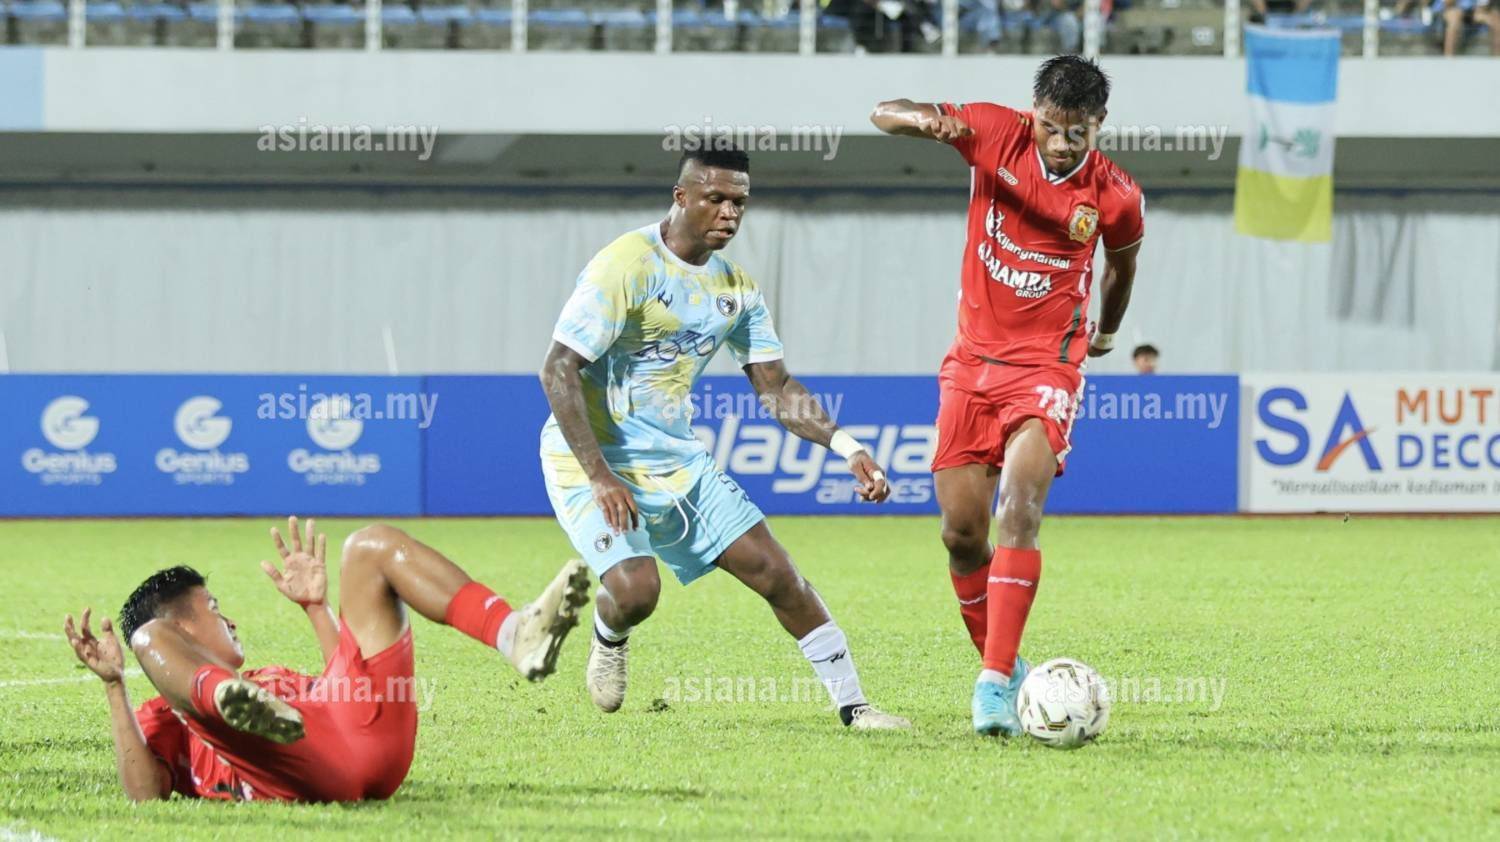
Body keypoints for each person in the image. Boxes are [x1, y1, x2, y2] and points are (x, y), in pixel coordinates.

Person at [537, 146, 910, 731]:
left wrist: (848, 447)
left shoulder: (736, 288)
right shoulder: (625, 265)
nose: (730, 213)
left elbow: (776, 387)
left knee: (776, 572)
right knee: (636, 592)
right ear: (681, 196)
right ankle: (609, 633)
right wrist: (600, 475)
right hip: (590, 459)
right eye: (716, 199)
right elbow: (558, 368)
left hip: (677, 460)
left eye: (739, 202)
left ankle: (854, 706)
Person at [870, 56, 1143, 737]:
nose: (1060, 143)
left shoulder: (1115, 195)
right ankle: (1009, 666)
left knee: (1018, 510)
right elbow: (882, 111)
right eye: (1050, 126)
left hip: (1047, 367)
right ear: (1033, 112)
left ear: (1099, 124)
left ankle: (991, 687)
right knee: (961, 534)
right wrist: (922, 121)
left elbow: (1122, 266)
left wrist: (1107, 333)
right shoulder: (994, 132)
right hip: (970, 366)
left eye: (1076, 132)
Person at [63, 516, 589, 802]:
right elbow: (145, 794)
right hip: (298, 767)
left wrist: (317, 608)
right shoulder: (162, 715)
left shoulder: (269, 679)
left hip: (357, 732)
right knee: (147, 638)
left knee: (370, 545)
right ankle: (221, 697)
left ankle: (514, 634)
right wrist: (115, 687)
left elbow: (348, 685)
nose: (231, 621)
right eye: (215, 609)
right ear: (182, 630)